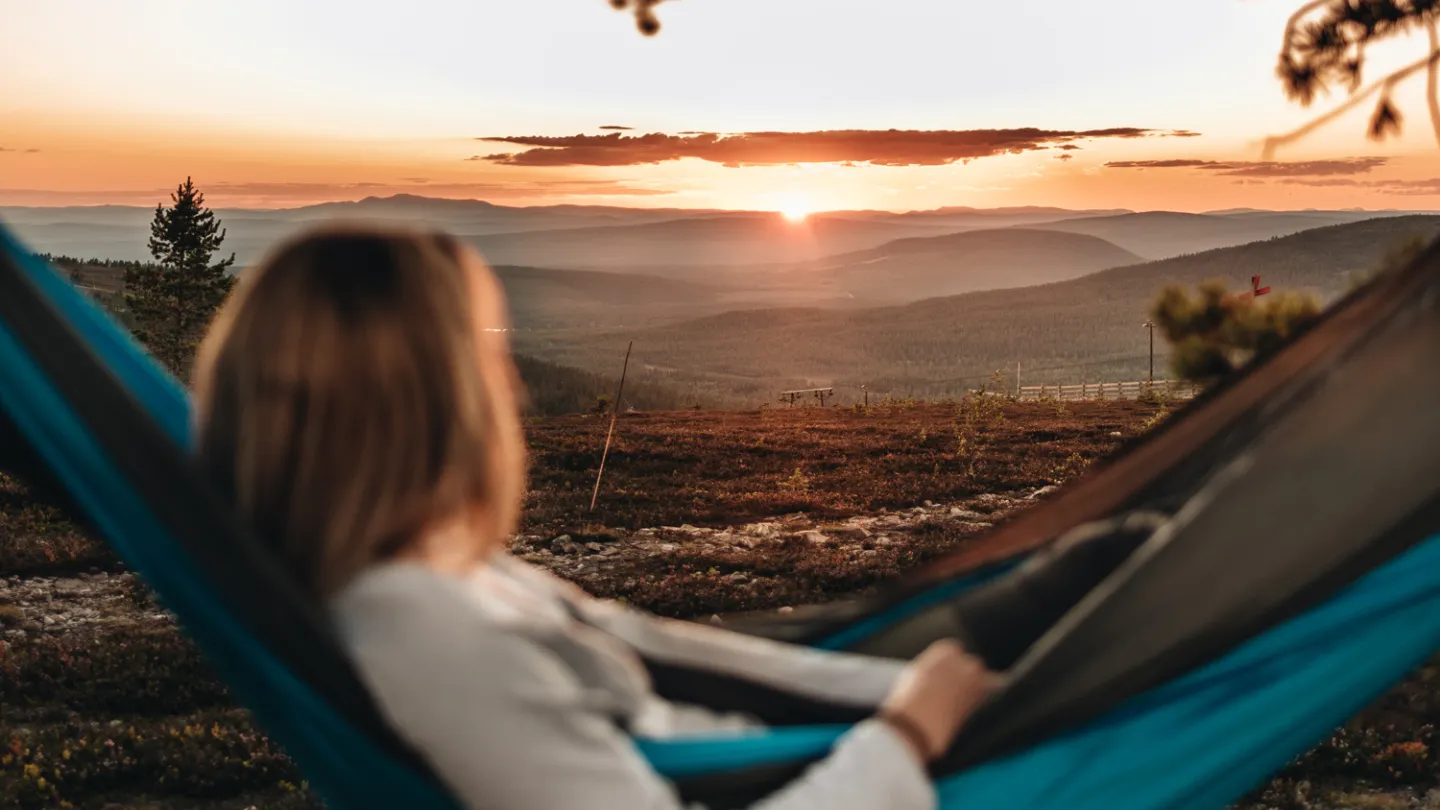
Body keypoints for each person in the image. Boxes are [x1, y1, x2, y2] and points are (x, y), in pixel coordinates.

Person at [191, 224, 1002, 810]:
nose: (507, 387)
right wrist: (906, 735)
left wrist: (905, 688)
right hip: (836, 774)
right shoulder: (429, 635)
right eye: (482, 357)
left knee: (1088, 576)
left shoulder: (437, 578)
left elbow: (670, 658)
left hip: (814, 738)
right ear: (429, 404)